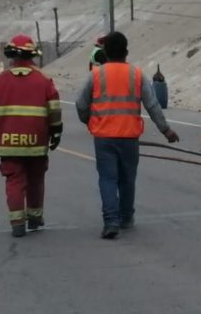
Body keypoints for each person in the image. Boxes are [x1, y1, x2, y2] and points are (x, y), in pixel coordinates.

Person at [75, 31, 179, 239]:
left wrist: (88, 119)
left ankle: (110, 221)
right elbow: (152, 105)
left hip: (104, 137)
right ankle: (126, 218)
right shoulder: (137, 74)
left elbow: (80, 103)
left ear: (105, 52)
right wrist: (166, 130)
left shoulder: (96, 75)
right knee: (127, 178)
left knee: (107, 178)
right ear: (126, 52)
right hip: (129, 137)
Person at [0, 34, 63, 237]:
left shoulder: (0, 80)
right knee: (36, 180)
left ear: (10, 56)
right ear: (32, 55)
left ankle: (17, 224)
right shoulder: (43, 80)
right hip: (36, 143)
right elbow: (55, 111)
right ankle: (34, 218)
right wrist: (56, 132)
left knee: (14, 181)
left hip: (9, 145)